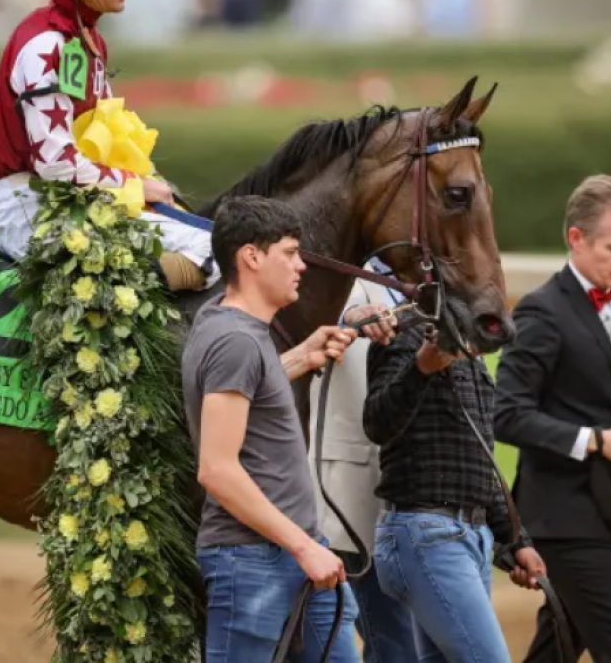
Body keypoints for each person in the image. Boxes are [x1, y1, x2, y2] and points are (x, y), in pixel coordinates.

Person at [0, 0, 214, 291]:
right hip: (35, 213)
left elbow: (102, 145)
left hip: (79, 201)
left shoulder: (87, 39)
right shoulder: (46, 44)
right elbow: (56, 162)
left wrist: (143, 183)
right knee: (211, 250)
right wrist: (134, 186)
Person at [182, 195, 367, 662]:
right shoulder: (236, 341)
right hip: (256, 561)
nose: (301, 265)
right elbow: (217, 471)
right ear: (251, 256)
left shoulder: (227, 324)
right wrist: (304, 547)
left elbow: (243, 387)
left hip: (295, 557)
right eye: (289, 252)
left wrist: (302, 357)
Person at [493, 174, 611, 663]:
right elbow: (504, 414)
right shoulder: (541, 312)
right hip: (561, 516)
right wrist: (596, 441)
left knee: (560, 646)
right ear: (576, 238)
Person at [364, 310, 547, 663]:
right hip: (426, 534)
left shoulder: (474, 360)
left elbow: (479, 462)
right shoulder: (406, 336)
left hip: (470, 538)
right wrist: (421, 368)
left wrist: (516, 541)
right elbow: (376, 423)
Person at [308, 270, 418, 663]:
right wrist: (353, 314)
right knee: (393, 641)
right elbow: (316, 309)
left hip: (407, 497)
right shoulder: (344, 266)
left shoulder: (420, 278)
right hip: (346, 498)